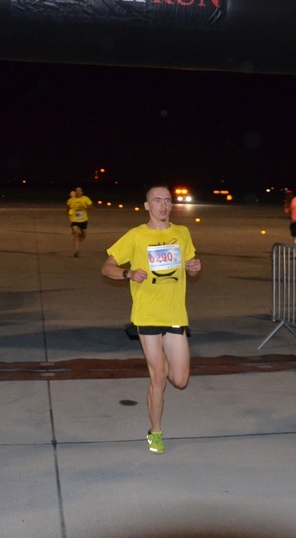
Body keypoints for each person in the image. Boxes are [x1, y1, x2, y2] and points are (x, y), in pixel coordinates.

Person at [101, 183, 201, 455]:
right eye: (157, 200)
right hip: (147, 315)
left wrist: (194, 267)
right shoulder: (136, 235)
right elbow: (107, 267)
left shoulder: (182, 233)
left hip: (175, 315)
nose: (164, 205)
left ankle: (162, 359)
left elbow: (191, 267)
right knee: (158, 378)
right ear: (147, 205)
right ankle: (155, 432)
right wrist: (128, 274)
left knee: (180, 380)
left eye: (167, 200)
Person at [67, 186, 92, 257]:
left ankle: (81, 236)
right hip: (74, 219)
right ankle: (77, 250)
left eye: (79, 190)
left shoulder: (85, 199)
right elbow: (67, 207)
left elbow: (91, 207)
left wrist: (85, 207)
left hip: (83, 219)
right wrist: (68, 215)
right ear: (75, 192)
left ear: (82, 192)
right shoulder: (71, 200)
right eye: (76, 191)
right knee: (75, 232)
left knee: (83, 235)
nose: (78, 192)